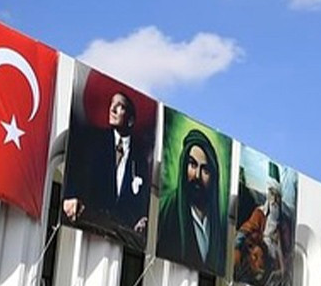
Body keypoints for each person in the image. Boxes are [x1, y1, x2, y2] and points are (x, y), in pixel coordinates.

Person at [63, 90, 152, 245]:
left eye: (120, 106)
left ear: (130, 120)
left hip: (121, 235)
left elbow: (142, 200)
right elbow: (77, 172)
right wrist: (69, 197)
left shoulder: (140, 158)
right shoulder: (94, 140)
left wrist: (143, 219)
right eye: (112, 104)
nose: (112, 109)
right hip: (88, 226)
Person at [157, 128, 226, 274]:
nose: (197, 175)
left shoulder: (218, 227)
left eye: (205, 170)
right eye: (193, 165)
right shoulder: (165, 210)